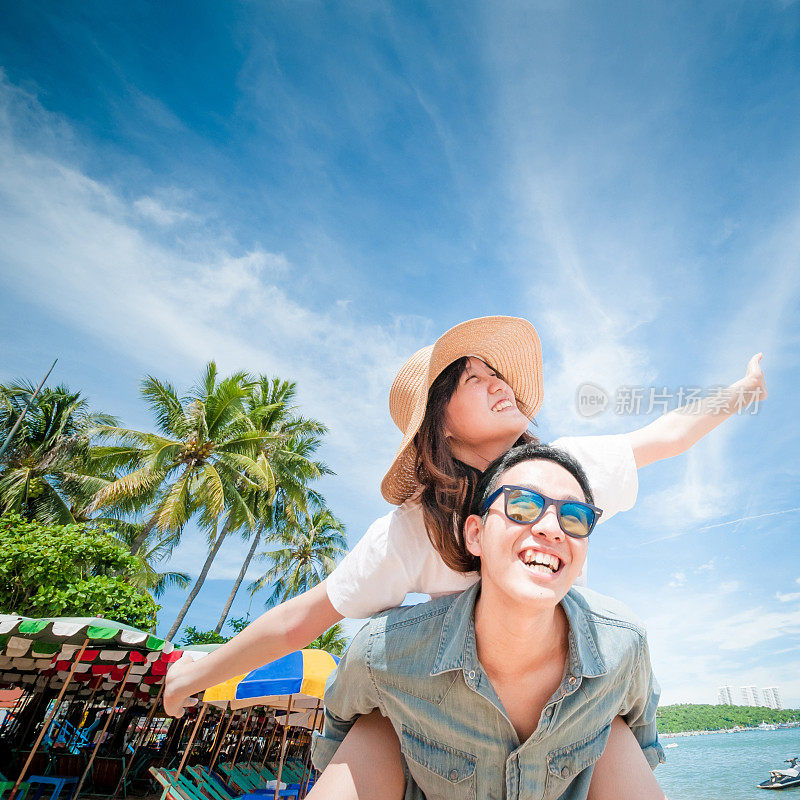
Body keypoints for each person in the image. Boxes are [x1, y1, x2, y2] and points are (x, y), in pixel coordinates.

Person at [163, 316, 764, 796]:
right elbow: (307, 615)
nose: (498, 382)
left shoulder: (565, 470)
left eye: (494, 371)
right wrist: (200, 673)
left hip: (565, 708)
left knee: (611, 716)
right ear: (440, 427)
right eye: (472, 379)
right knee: (378, 716)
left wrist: (740, 394)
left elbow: (666, 436)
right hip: (445, 731)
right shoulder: (414, 530)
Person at [309, 442, 666, 800]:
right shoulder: (384, 652)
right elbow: (339, 728)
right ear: (475, 535)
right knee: (376, 725)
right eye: (522, 505)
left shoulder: (622, 645)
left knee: (615, 729)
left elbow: (640, 734)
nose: (552, 529)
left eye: (574, 518)